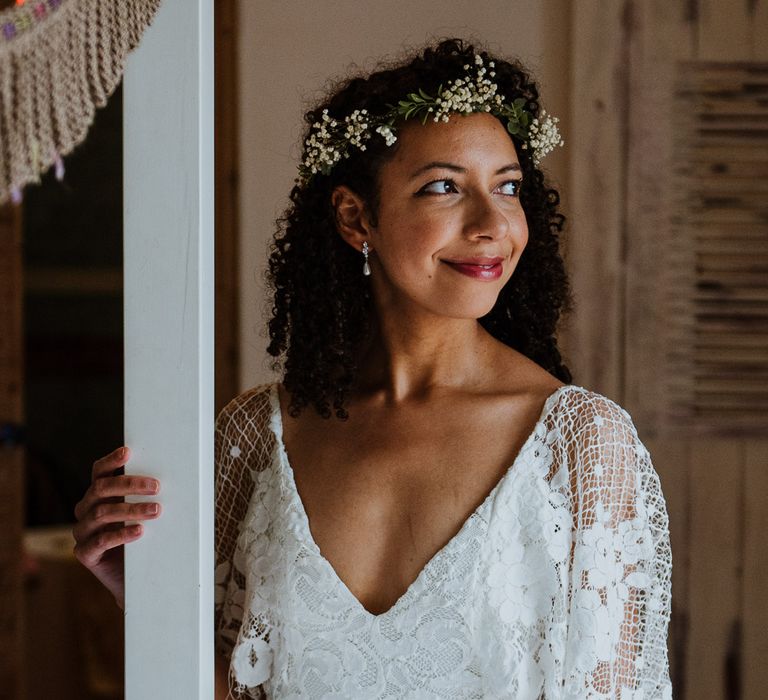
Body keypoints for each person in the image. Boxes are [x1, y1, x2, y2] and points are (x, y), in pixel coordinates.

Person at [73, 38, 672, 699]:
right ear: (356, 218)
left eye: (507, 187)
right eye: (444, 186)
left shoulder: (581, 446)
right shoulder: (254, 438)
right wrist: (149, 596)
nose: (491, 224)